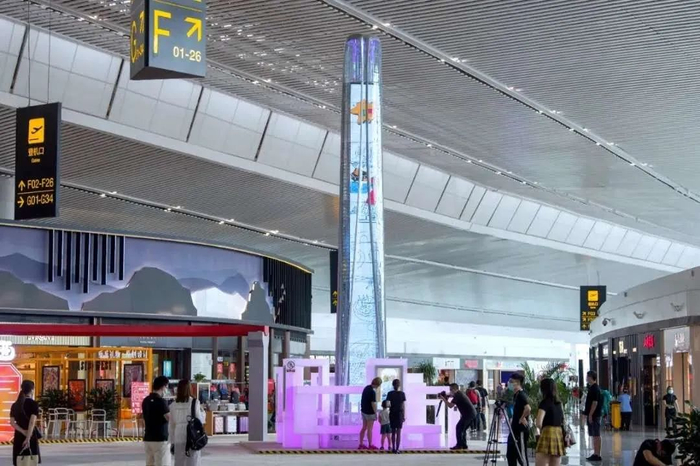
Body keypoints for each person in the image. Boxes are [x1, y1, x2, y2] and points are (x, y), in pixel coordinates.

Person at [169, 379, 205, 466]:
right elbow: (200, 420)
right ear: (189, 389)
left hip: (178, 436)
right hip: (192, 436)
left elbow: (171, 425)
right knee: (193, 461)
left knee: (179, 462)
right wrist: (203, 412)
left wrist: (172, 441)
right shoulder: (194, 402)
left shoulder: (173, 405)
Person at [535, 378, 565, 466]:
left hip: (547, 433)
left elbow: (539, 422)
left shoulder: (544, 403)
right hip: (558, 434)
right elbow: (563, 420)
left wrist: (541, 429)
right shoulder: (559, 403)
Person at [10, 380, 40, 466]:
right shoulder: (34, 404)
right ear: (32, 390)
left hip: (19, 436)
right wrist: (28, 438)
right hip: (31, 435)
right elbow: (31, 422)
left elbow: (12, 423)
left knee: (19, 461)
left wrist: (22, 431)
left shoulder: (15, 405)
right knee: (30, 461)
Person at [143, 375, 171, 466]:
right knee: (162, 463)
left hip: (148, 438)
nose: (167, 390)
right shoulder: (161, 401)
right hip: (160, 439)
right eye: (167, 387)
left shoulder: (146, 400)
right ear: (163, 387)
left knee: (150, 463)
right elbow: (169, 418)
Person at [441, 383, 476, 450]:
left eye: (451, 389)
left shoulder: (458, 395)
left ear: (454, 389)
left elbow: (450, 406)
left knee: (459, 428)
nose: (450, 391)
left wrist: (443, 399)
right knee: (462, 429)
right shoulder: (459, 393)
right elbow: (451, 396)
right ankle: (464, 445)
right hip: (470, 414)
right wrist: (446, 396)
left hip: (468, 415)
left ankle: (459, 446)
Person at [507, 373, 531, 466]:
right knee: (510, 455)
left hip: (520, 430)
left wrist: (522, 418)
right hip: (514, 429)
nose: (509, 383)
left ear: (517, 383)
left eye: (511, 381)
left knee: (521, 456)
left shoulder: (521, 395)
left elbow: (528, 408)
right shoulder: (515, 395)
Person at [582, 371, 603, 462]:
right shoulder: (593, 388)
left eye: (587, 376)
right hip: (595, 415)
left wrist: (590, 415)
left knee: (596, 435)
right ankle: (596, 453)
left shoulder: (594, 389)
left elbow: (595, 403)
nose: (586, 378)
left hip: (595, 415)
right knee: (595, 435)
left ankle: (597, 454)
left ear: (591, 377)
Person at [358, 377, 382, 450]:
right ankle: (370, 445)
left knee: (364, 428)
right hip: (370, 413)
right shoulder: (372, 392)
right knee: (369, 429)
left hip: (364, 411)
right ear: (377, 385)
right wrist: (375, 413)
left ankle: (361, 444)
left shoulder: (366, 388)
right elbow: (373, 404)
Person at [385, 378, 406, 454]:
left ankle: (393, 448)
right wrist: (404, 415)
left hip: (392, 414)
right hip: (399, 414)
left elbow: (387, 405)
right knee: (399, 432)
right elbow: (403, 406)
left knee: (393, 432)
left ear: (393, 385)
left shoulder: (389, 394)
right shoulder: (402, 394)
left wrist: (392, 406)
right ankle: (397, 449)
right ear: (399, 385)